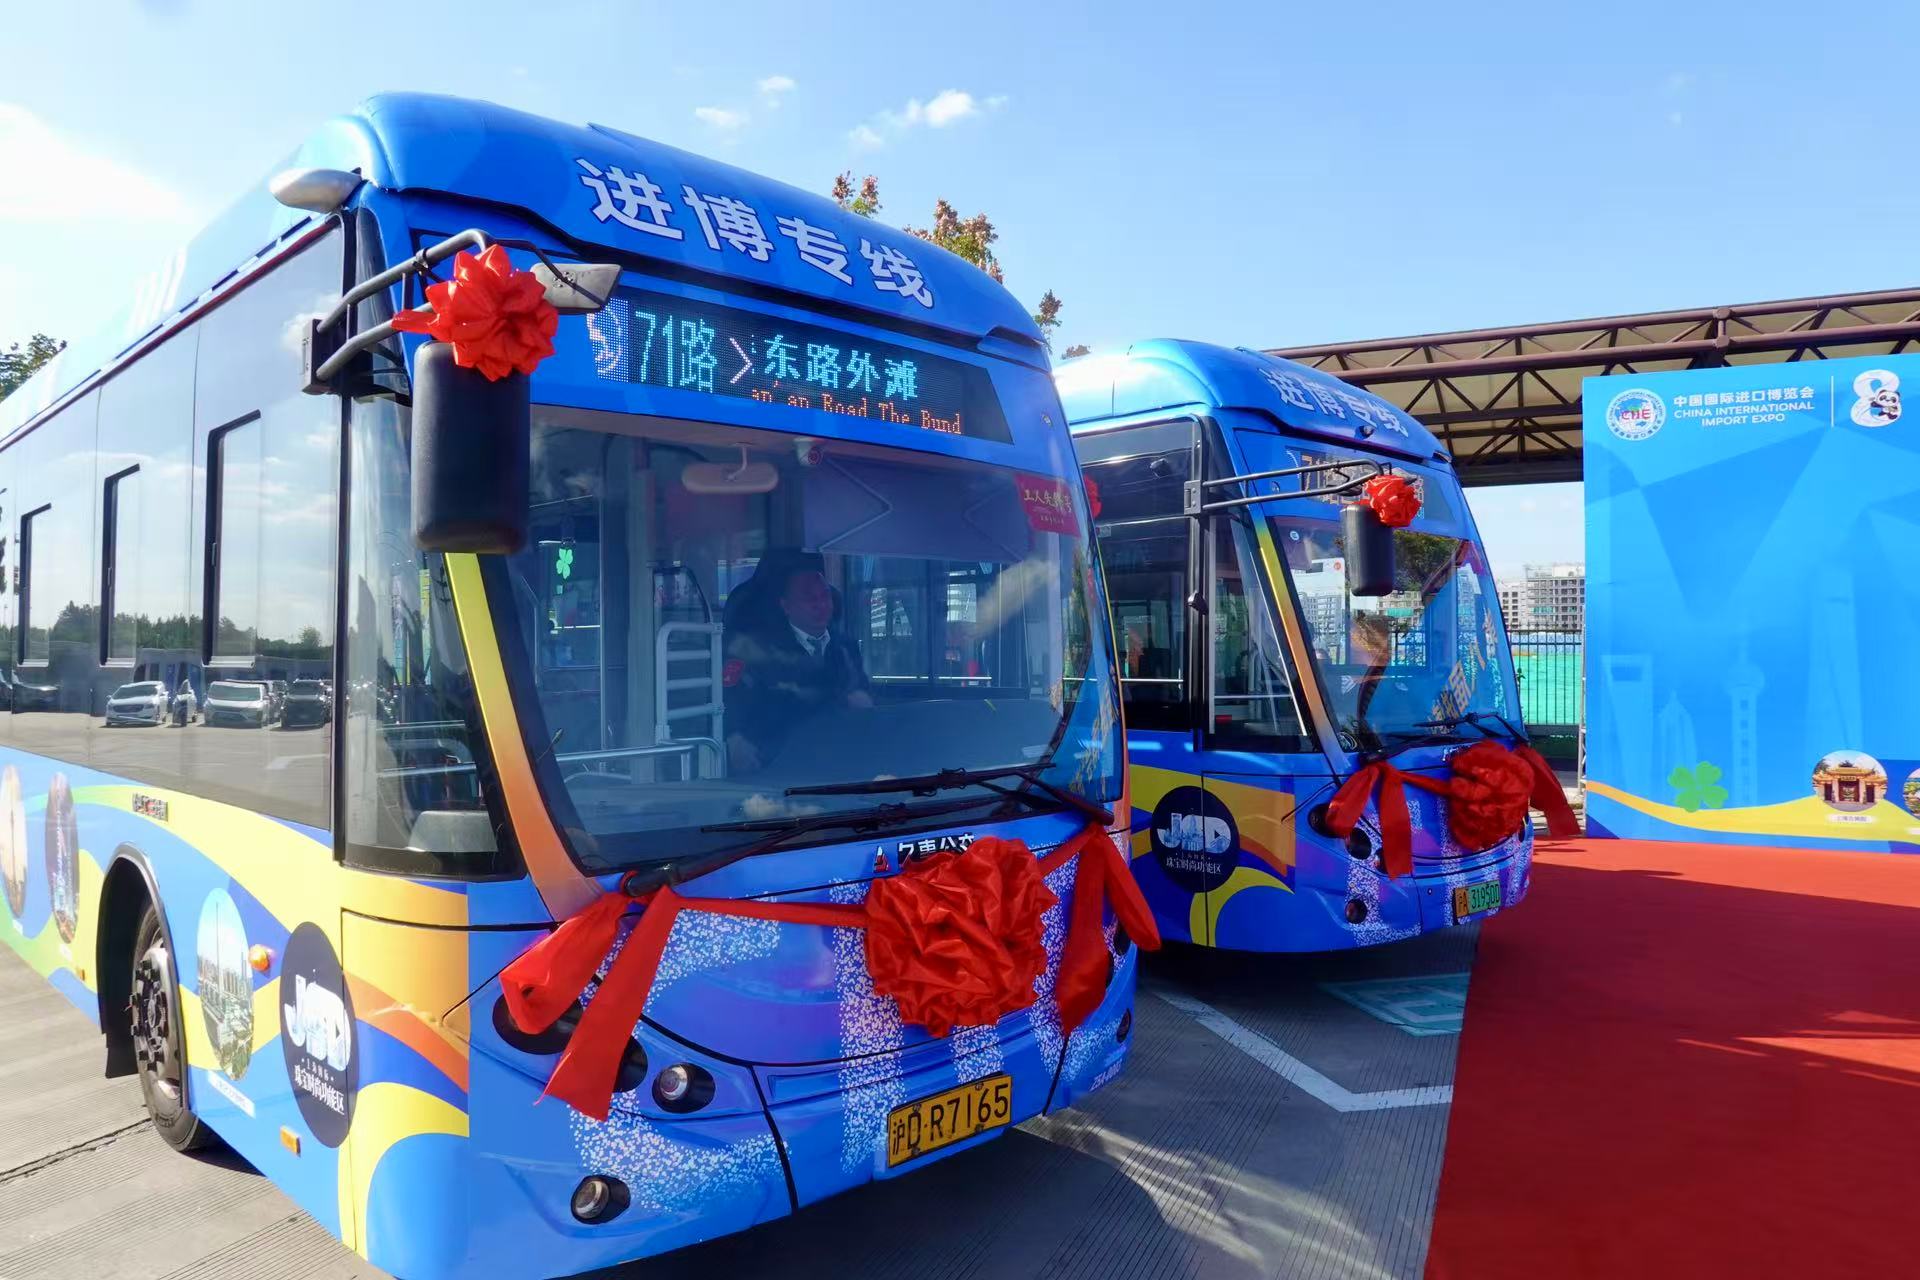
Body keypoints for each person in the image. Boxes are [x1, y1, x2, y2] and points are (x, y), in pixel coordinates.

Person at [724, 564, 871, 772]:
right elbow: (731, 703)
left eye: (825, 596)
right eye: (810, 599)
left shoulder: (846, 647)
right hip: (776, 761)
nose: (820, 605)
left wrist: (863, 699)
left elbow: (863, 694)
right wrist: (733, 737)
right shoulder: (753, 649)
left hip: (839, 756)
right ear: (786, 606)